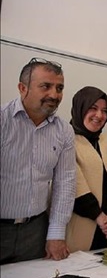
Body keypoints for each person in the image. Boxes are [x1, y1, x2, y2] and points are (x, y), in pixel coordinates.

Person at [1, 57, 75, 264]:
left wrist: (56, 234)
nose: (54, 94)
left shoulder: (64, 130)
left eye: (59, 88)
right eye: (46, 86)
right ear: (22, 88)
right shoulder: (3, 121)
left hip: (35, 230)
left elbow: (65, 182)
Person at [66, 86, 107, 252]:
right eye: (93, 108)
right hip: (82, 226)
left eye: (104, 110)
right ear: (80, 108)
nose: (99, 115)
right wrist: (100, 218)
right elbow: (75, 184)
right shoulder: (67, 139)